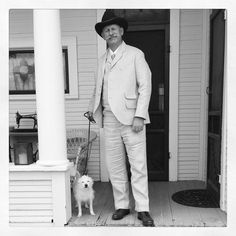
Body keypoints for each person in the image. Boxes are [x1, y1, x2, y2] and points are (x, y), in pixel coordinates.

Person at [87, 10, 154, 227]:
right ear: (103, 35)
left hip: (131, 118)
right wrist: (92, 110)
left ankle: (143, 208)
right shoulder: (101, 60)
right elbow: (98, 89)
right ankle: (122, 205)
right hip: (108, 118)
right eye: (106, 30)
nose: (110, 32)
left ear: (121, 31)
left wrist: (139, 115)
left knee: (138, 165)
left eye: (113, 29)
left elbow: (145, 85)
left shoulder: (135, 54)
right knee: (114, 166)